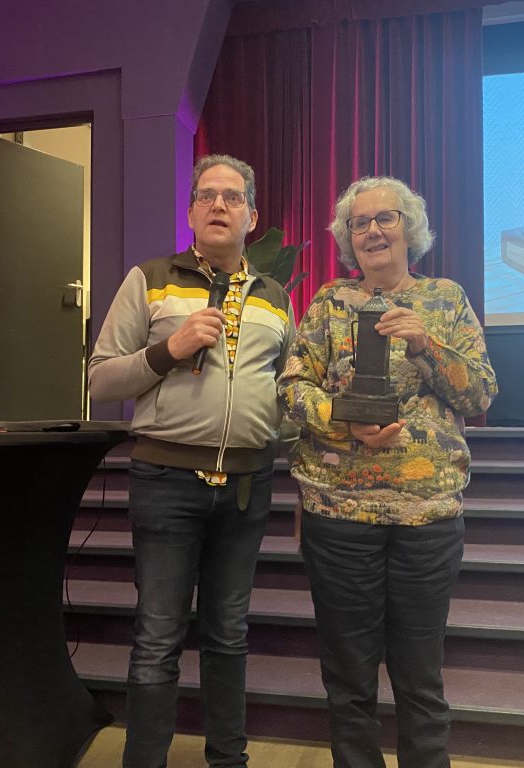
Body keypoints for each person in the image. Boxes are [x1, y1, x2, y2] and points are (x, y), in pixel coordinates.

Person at [278, 176, 498, 767]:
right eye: (360, 222)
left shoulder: (445, 300)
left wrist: (426, 346)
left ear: (410, 228)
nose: (373, 230)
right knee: (348, 678)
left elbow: (480, 393)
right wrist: (342, 423)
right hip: (339, 517)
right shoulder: (329, 303)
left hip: (427, 518)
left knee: (420, 677)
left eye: (386, 218)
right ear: (347, 237)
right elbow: (292, 389)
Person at [88, 154, 296, 767]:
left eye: (232, 197)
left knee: (229, 634)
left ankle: (229, 761)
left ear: (251, 217)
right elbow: (100, 380)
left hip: (247, 487)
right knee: (158, 637)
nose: (218, 205)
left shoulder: (276, 298)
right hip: (166, 482)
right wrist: (169, 350)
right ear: (190, 213)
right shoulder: (150, 279)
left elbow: (288, 394)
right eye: (207, 195)